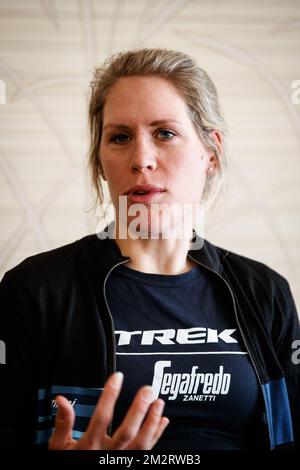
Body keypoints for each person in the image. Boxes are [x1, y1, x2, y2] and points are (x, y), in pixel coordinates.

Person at [0, 48, 299, 451]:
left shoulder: (264, 291)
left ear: (210, 153)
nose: (141, 159)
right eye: (120, 137)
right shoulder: (33, 290)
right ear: (100, 161)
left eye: (165, 133)